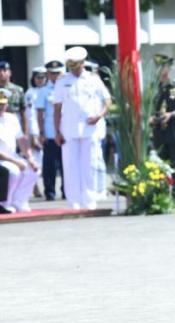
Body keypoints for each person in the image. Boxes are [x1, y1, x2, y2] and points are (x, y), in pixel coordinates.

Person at [53, 46, 111, 210]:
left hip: (89, 128)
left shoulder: (93, 79)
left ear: (83, 63)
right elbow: (57, 108)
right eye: (71, 66)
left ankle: (89, 198)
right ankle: (74, 200)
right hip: (69, 129)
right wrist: (57, 131)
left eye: (76, 65)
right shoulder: (62, 81)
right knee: (70, 165)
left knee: (89, 164)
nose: (74, 69)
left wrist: (99, 115)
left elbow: (107, 100)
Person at [150, 54, 175, 208]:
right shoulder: (152, 87)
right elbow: (146, 108)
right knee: (159, 166)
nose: (162, 70)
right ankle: (160, 197)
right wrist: (150, 118)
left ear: (169, 68)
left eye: (164, 67)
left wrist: (171, 114)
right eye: (159, 67)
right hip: (158, 132)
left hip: (174, 130)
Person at [0, 88, 39, 213]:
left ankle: (19, 201)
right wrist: (16, 162)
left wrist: (30, 158)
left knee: (34, 170)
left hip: (11, 158)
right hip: (3, 160)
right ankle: (5, 203)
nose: (1, 106)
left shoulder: (12, 118)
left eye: (3, 103)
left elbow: (21, 140)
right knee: (14, 171)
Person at [36, 60, 65, 201]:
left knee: (67, 164)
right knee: (49, 166)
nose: (55, 76)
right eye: (52, 73)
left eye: (58, 73)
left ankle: (67, 191)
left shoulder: (67, 87)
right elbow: (40, 114)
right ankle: (50, 192)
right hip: (50, 132)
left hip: (66, 131)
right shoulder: (43, 91)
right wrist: (41, 133)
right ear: (48, 74)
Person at [25, 66, 47, 197]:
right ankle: (34, 187)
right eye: (38, 77)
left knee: (45, 163)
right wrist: (33, 135)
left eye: (43, 77)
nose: (40, 80)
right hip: (36, 132)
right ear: (33, 78)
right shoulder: (30, 93)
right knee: (35, 162)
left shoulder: (49, 91)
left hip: (48, 131)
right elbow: (30, 115)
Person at [0, 60, 28, 135]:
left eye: (4, 70)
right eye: (0, 71)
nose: (1, 73)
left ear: (10, 73)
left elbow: (23, 112)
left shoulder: (18, 90)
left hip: (14, 125)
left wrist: (25, 132)